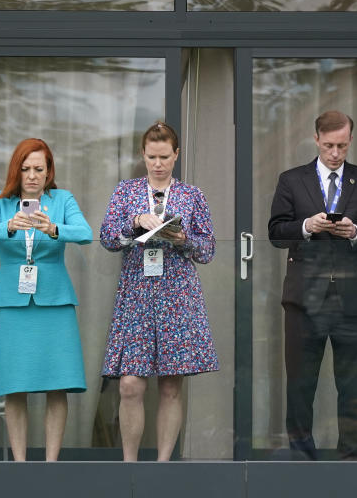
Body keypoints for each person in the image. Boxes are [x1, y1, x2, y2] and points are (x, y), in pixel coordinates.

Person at [268, 110, 357, 460]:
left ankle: (352, 457)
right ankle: (301, 455)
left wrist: (356, 232)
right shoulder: (292, 180)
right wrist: (306, 225)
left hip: (352, 299)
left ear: (351, 141)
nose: (335, 153)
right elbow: (275, 231)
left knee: (352, 386)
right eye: (329, 145)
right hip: (304, 297)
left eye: (343, 146)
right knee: (301, 385)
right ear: (316, 139)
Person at [99, 121, 218, 461]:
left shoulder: (193, 195)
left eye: (165, 156)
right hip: (136, 294)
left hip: (177, 294)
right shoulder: (125, 191)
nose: (158, 163)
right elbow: (107, 238)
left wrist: (182, 239)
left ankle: (163, 466)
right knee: (130, 384)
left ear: (176, 155)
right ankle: (130, 466)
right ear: (143, 155)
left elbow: (207, 251)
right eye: (152, 156)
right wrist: (135, 221)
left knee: (170, 385)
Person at [0, 138, 93, 461]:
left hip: (55, 301)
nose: (31, 176)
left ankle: (51, 464)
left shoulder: (62, 199)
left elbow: (85, 233)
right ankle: (21, 465)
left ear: (48, 171)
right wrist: (9, 227)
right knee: (15, 385)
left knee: (57, 384)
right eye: (25, 169)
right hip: (14, 303)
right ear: (17, 170)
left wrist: (54, 229)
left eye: (39, 169)